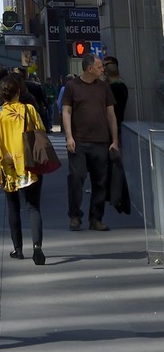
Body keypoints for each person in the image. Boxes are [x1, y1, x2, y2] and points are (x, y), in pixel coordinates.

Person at [0, 72, 47, 265]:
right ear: (19, 92)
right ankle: (37, 247)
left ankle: (18, 249)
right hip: (29, 163)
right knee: (33, 206)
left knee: (13, 207)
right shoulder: (29, 109)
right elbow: (41, 131)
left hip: (8, 165)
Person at [62, 55, 119, 231]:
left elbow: (111, 115)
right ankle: (75, 215)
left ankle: (96, 218)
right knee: (76, 178)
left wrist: (115, 140)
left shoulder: (104, 88)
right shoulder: (72, 87)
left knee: (100, 182)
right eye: (100, 67)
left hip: (101, 141)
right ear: (89, 69)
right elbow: (66, 111)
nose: (103, 69)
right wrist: (69, 137)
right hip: (79, 141)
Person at [102, 56, 129, 130]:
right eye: (103, 66)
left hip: (113, 127)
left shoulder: (117, 87)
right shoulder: (110, 86)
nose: (103, 69)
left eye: (106, 65)